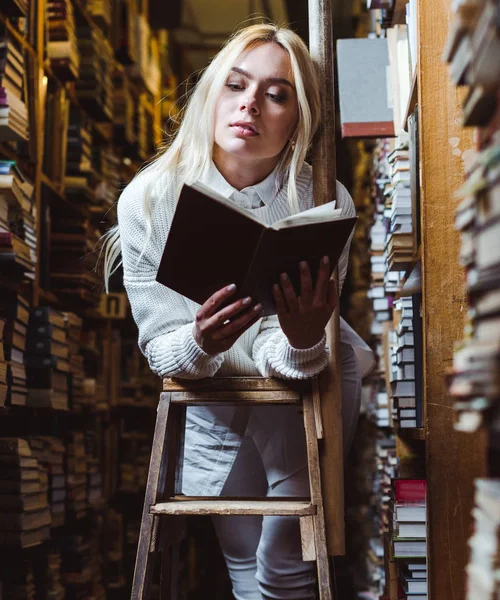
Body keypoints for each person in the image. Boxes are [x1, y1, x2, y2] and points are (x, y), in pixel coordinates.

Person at [101, 23, 374, 600]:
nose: (250, 103)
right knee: (244, 564)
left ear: (298, 118)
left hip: (308, 378)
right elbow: (160, 347)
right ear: (210, 97)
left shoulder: (323, 201)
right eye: (235, 84)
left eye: (276, 94)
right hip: (216, 394)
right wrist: (201, 339)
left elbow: (290, 353)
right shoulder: (149, 199)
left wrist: (301, 339)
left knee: (287, 561)